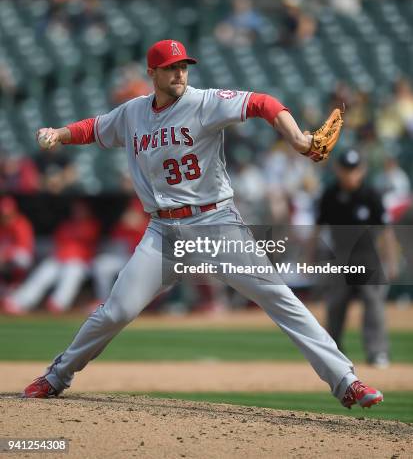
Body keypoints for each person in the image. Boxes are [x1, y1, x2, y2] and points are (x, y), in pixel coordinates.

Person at [23, 39, 382, 410]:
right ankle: (56, 376)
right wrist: (60, 133)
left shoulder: (205, 101)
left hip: (215, 223)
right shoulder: (133, 113)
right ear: (153, 73)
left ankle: (346, 381)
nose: (179, 73)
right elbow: (95, 128)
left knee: (279, 297)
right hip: (163, 232)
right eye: (170, 67)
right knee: (116, 310)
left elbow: (263, 103)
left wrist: (296, 137)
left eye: (183, 66)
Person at [312, 148, 399, 368]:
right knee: (335, 307)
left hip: (368, 259)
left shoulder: (371, 194)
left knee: (374, 306)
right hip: (340, 259)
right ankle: (333, 354)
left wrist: (391, 261)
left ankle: (378, 353)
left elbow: (386, 231)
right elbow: (317, 228)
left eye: (354, 169)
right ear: (338, 170)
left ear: (362, 170)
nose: (350, 174)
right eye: (346, 169)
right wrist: (310, 256)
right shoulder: (330, 194)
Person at [4, 200, 100, 314]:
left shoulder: (92, 225)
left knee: (72, 272)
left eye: (81, 210)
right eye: (76, 210)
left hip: (81, 260)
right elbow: (58, 243)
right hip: (60, 258)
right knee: (44, 272)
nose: (78, 212)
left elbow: (87, 242)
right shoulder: (66, 225)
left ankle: (58, 303)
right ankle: (19, 302)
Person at [0, 196, 34, 298]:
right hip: (6, 259)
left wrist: (6, 254)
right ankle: (5, 292)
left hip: (23, 258)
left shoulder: (21, 224)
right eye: (3, 214)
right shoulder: (2, 226)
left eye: (8, 213)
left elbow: (24, 248)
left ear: (14, 212)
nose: (5, 216)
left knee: (20, 258)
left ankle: (15, 285)